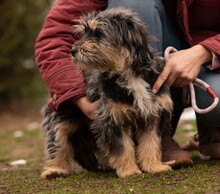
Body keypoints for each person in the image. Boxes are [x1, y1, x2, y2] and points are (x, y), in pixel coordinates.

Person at [35, 0, 220, 168]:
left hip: (211, 62)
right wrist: (80, 98)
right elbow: (54, 37)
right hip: (135, 70)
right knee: (135, 2)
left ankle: (212, 129)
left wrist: (204, 52)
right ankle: (158, 138)